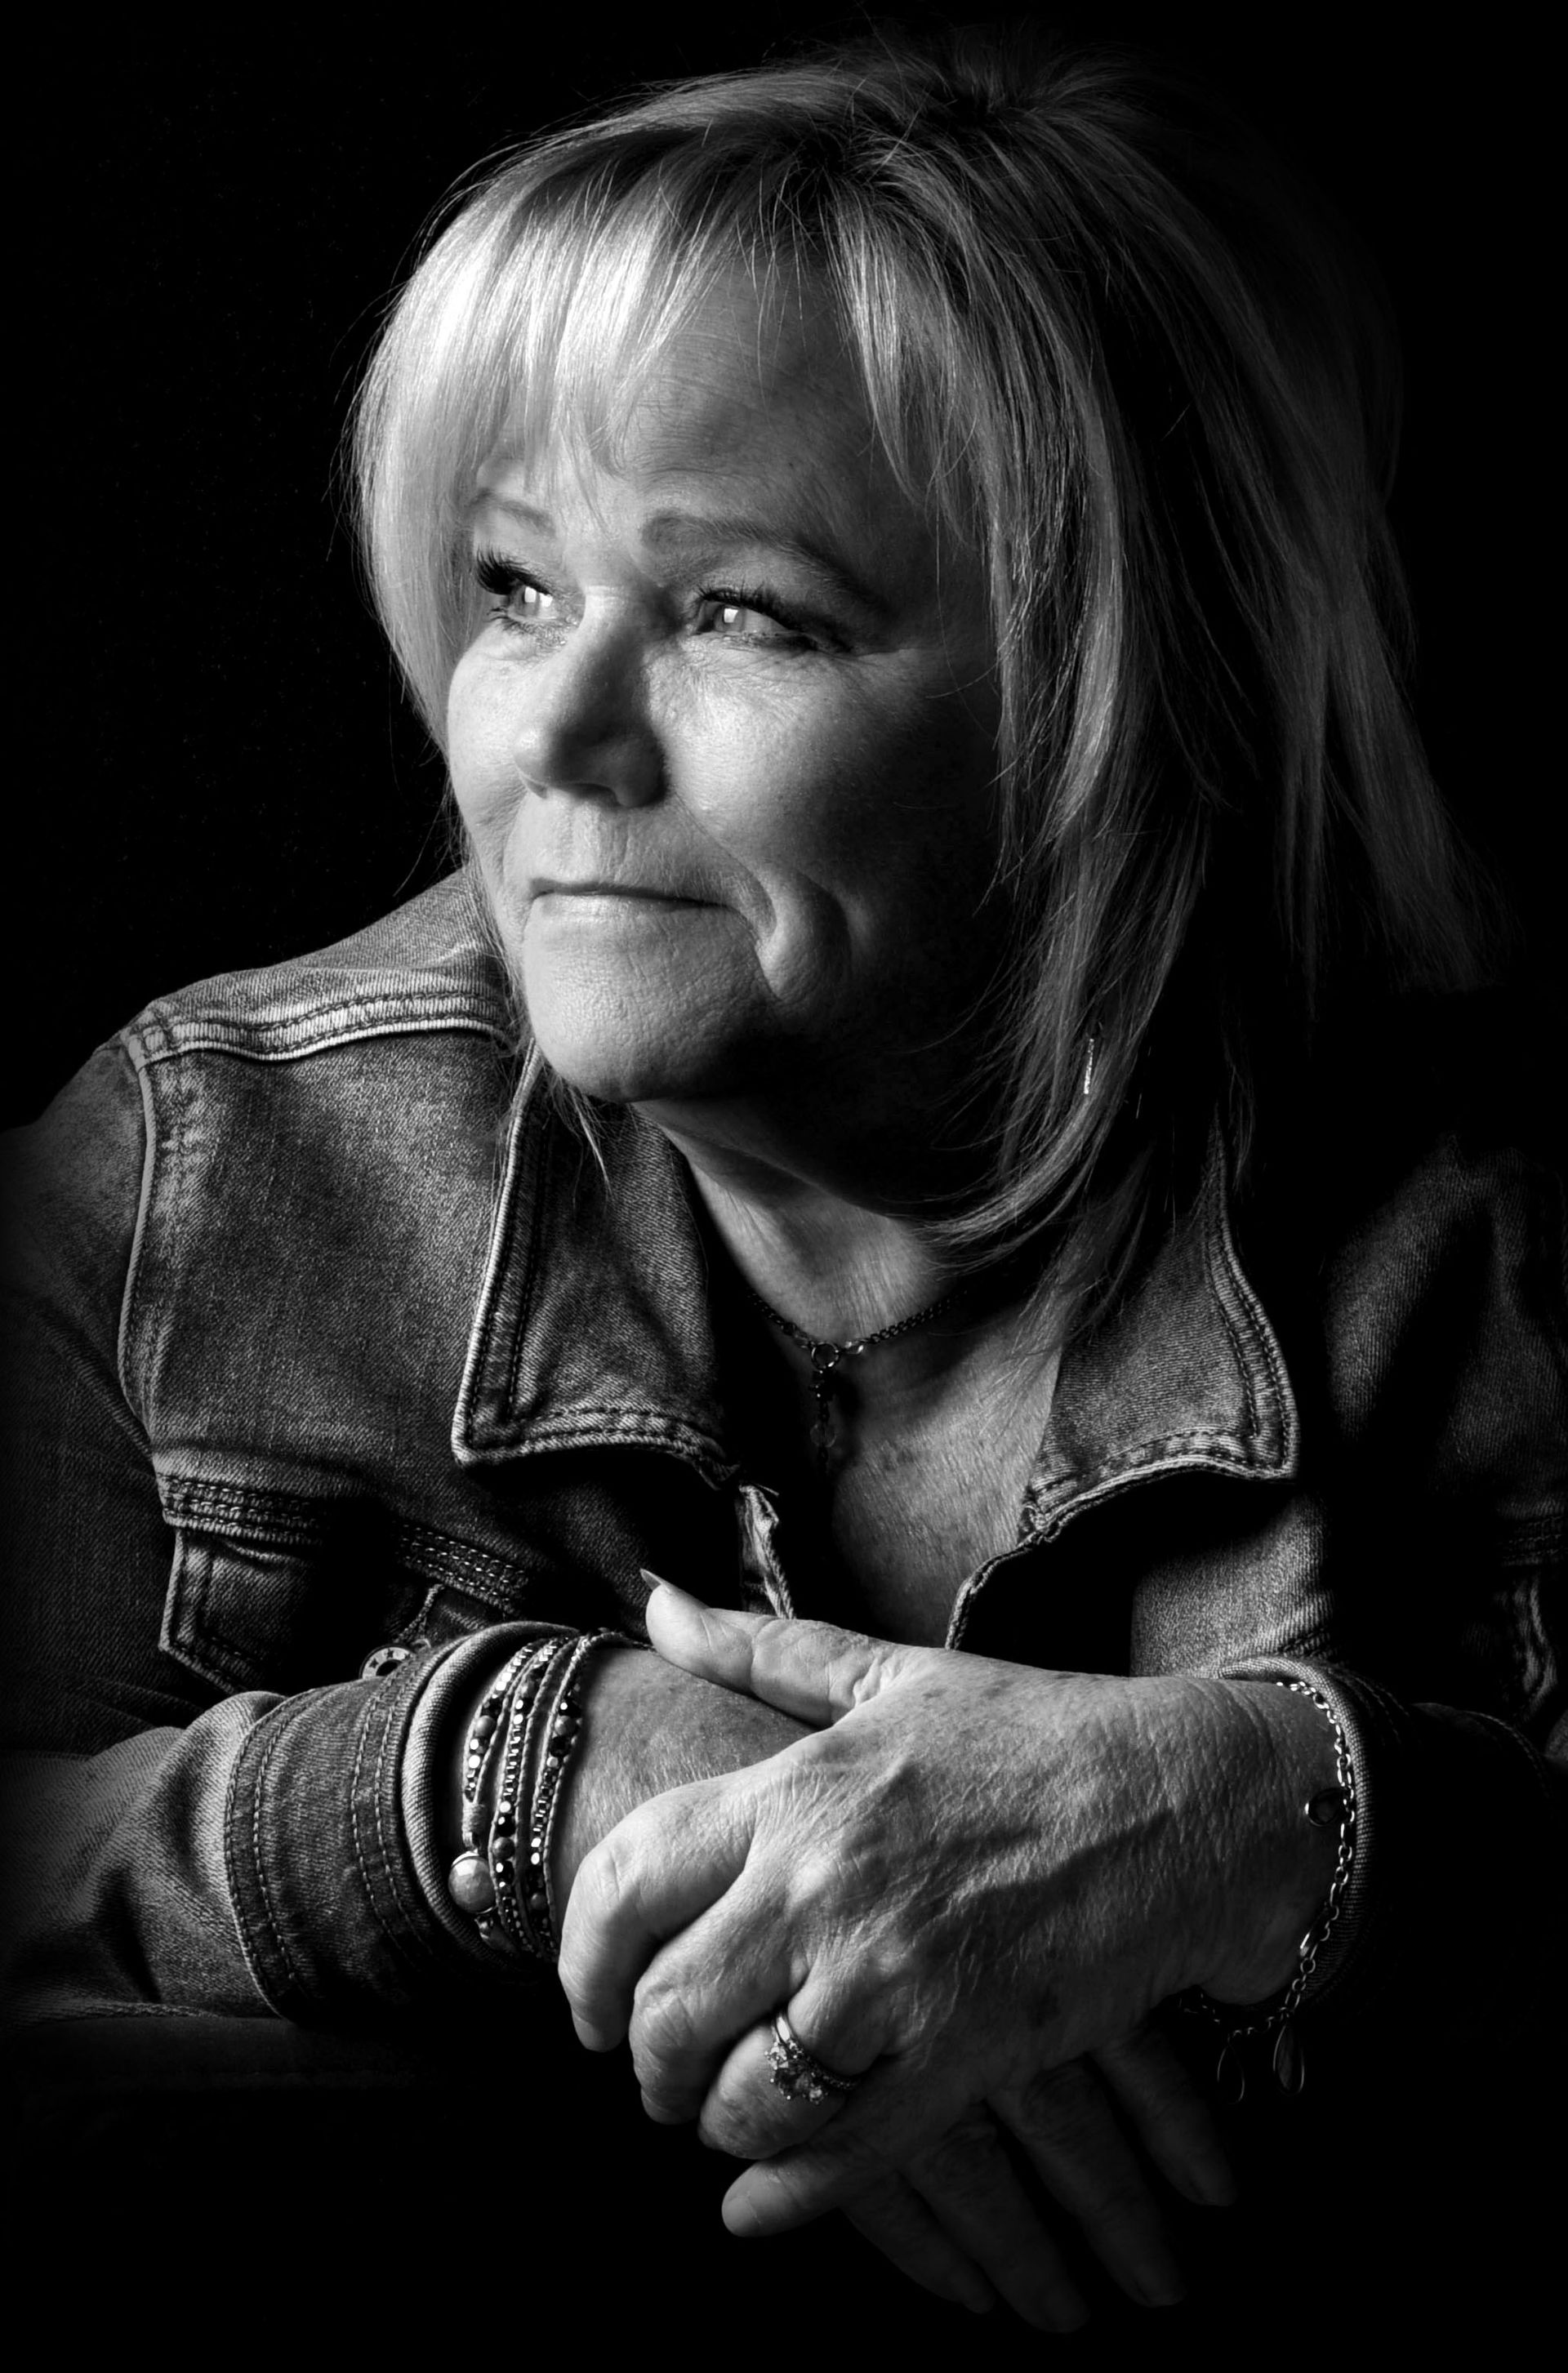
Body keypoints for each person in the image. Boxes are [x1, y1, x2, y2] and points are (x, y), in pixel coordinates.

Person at [2, 22, 1562, 2352]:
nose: (553, 735)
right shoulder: (201, 1172)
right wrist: (523, 1778)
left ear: (1130, 687)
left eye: (745, 610)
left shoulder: (1490, 1245)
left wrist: (1264, 1813)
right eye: (513, 586)